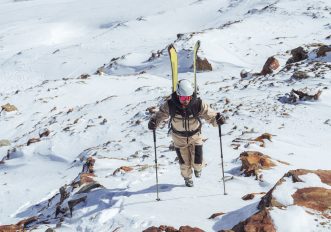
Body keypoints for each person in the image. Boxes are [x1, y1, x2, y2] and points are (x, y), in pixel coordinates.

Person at [148, 79, 225, 187]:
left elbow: (210, 114)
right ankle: (187, 178)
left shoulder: (198, 104)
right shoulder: (170, 105)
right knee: (184, 163)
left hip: (195, 136)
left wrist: (218, 119)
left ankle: (198, 169)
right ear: (178, 95)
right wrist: (154, 122)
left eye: (188, 97)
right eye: (184, 98)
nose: (186, 100)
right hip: (179, 138)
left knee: (198, 162)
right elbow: (161, 114)